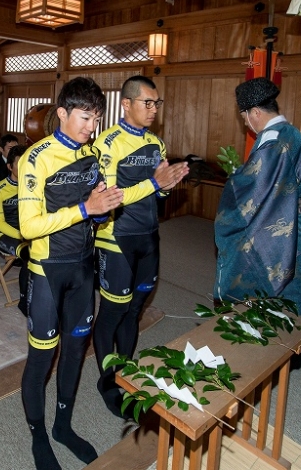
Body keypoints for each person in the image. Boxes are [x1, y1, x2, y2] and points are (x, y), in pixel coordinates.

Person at [17, 77, 123, 470]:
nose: (90, 127)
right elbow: (28, 227)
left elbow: (97, 202)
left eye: (96, 118)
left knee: (77, 349)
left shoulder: (92, 152)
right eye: (84, 117)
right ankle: (38, 434)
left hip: (83, 268)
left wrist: (105, 203)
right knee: (42, 359)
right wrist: (85, 210)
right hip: (46, 271)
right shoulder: (35, 158)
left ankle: (63, 425)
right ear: (61, 113)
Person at [92, 76, 190, 418]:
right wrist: (154, 182)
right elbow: (110, 198)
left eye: (156, 103)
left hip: (149, 237)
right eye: (146, 102)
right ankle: (108, 383)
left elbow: (157, 194)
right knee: (113, 312)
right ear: (126, 104)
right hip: (115, 237)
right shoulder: (107, 143)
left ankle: (126, 373)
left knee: (135, 310)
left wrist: (167, 184)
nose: (153, 109)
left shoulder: (156, 143)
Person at [214, 77, 301, 367]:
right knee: (293, 288)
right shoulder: (295, 136)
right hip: (291, 224)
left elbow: (253, 190)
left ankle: (272, 354)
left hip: (271, 234)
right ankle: (298, 354)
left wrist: (235, 180)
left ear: (255, 112)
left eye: (245, 117)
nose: (246, 124)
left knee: (267, 285)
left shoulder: (272, 143)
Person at [0, 145, 29, 316]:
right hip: (7, 235)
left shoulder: (34, 185)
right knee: (31, 256)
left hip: (30, 231)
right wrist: (24, 236)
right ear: (9, 167)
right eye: (19, 165)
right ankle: (24, 301)